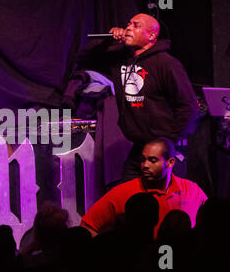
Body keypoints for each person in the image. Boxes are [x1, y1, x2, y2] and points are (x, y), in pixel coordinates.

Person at [72, 13, 200, 182]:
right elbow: (82, 59)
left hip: (164, 151)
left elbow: (189, 108)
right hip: (139, 149)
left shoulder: (166, 64)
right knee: (130, 201)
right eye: (128, 24)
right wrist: (108, 40)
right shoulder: (120, 58)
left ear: (151, 36)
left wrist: (168, 143)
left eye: (136, 25)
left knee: (165, 203)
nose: (128, 28)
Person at [80, 138, 207, 238]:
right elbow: (87, 227)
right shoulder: (123, 192)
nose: (145, 165)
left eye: (152, 160)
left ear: (170, 162)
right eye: (143, 160)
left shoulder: (191, 190)